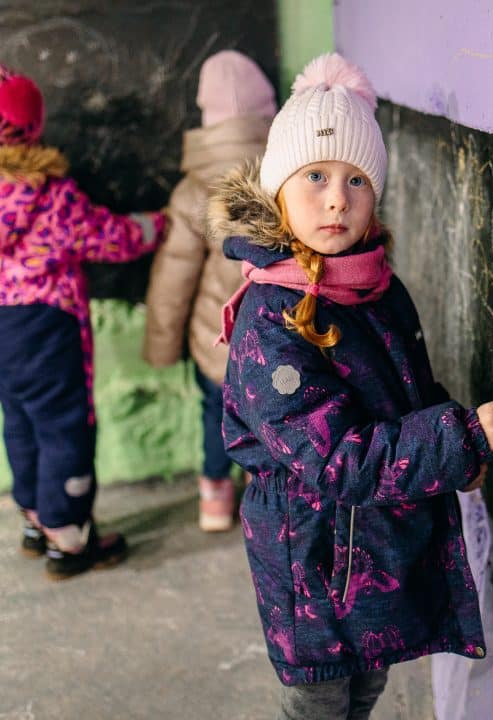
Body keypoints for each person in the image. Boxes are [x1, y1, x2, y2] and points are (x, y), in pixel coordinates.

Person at [207, 53, 493, 719]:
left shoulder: (376, 286)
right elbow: (335, 459)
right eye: (316, 176)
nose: (337, 197)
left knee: (366, 691)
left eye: (357, 179)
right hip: (314, 565)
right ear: (277, 191)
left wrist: (457, 450)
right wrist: (459, 438)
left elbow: (408, 393)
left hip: (374, 556)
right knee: (321, 702)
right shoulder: (271, 324)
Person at [0, 64, 166, 579]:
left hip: (2, 328)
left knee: (22, 420)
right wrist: (156, 224)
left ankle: (35, 517)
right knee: (64, 428)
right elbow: (110, 238)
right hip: (47, 327)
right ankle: (68, 538)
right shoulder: (50, 195)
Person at [143, 50, 276, 532]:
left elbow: (174, 276)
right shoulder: (288, 177)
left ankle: (214, 497)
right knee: (273, 416)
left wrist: (161, 345)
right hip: (277, 337)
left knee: (215, 415)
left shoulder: (192, 189)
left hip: (213, 340)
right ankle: (262, 492)